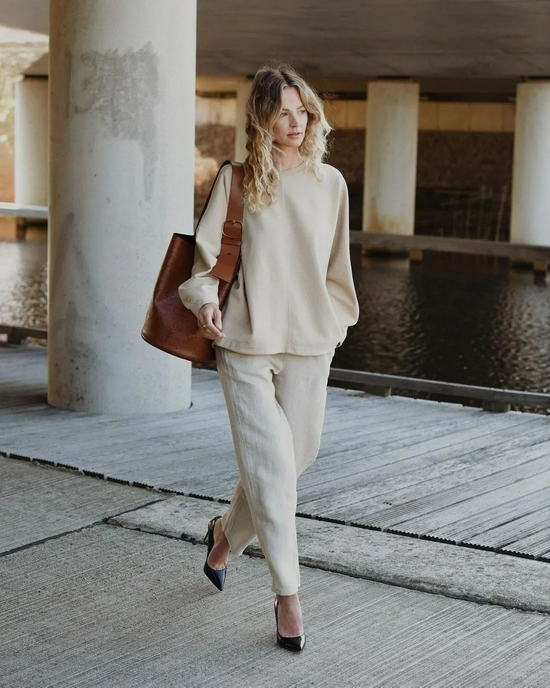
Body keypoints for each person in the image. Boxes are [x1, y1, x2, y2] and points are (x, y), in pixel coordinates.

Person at [178, 62, 360, 651]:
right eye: (283, 112)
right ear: (261, 119)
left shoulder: (331, 184)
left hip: (310, 342)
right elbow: (206, 263)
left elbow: (338, 269)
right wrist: (205, 302)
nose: (296, 122)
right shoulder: (237, 180)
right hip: (245, 343)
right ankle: (288, 596)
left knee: (293, 458)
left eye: (302, 111)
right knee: (273, 470)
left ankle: (224, 535)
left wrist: (336, 322)